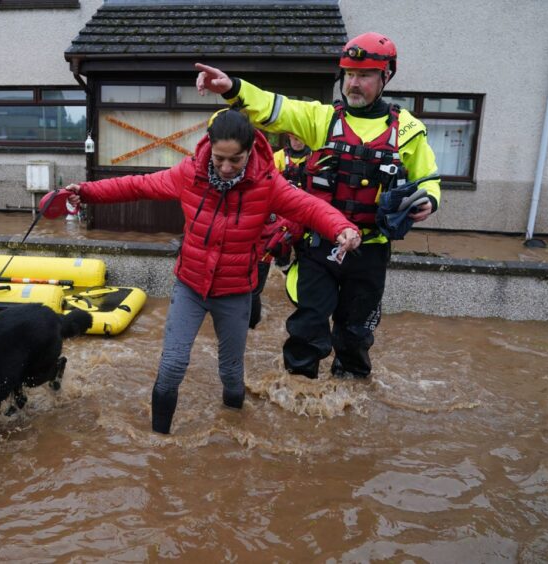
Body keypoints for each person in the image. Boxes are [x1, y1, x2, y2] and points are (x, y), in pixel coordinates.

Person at [45, 108, 360, 435]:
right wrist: (87, 192)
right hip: (190, 287)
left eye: (235, 160)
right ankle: (159, 445)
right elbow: (138, 186)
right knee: (171, 367)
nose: (225, 168)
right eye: (219, 158)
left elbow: (309, 207)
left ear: (250, 151)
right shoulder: (189, 174)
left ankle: (233, 431)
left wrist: (342, 228)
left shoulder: (267, 184)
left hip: (236, 292)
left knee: (232, 373)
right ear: (209, 148)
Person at [196, 31, 442, 379]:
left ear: (386, 76)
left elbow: (428, 178)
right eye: (349, 75)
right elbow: (273, 107)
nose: (353, 84)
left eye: (365, 76)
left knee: (355, 333)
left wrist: (429, 199)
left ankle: (350, 394)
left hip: (369, 251)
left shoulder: (409, 130)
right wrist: (234, 88)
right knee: (308, 325)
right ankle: (299, 394)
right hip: (319, 247)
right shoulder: (321, 119)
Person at [249, 133, 311, 329]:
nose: (297, 140)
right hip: (281, 218)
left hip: (307, 215)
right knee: (277, 253)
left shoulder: (314, 158)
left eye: (300, 137)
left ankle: (299, 293)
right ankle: (281, 269)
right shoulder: (277, 158)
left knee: (305, 257)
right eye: (293, 136)